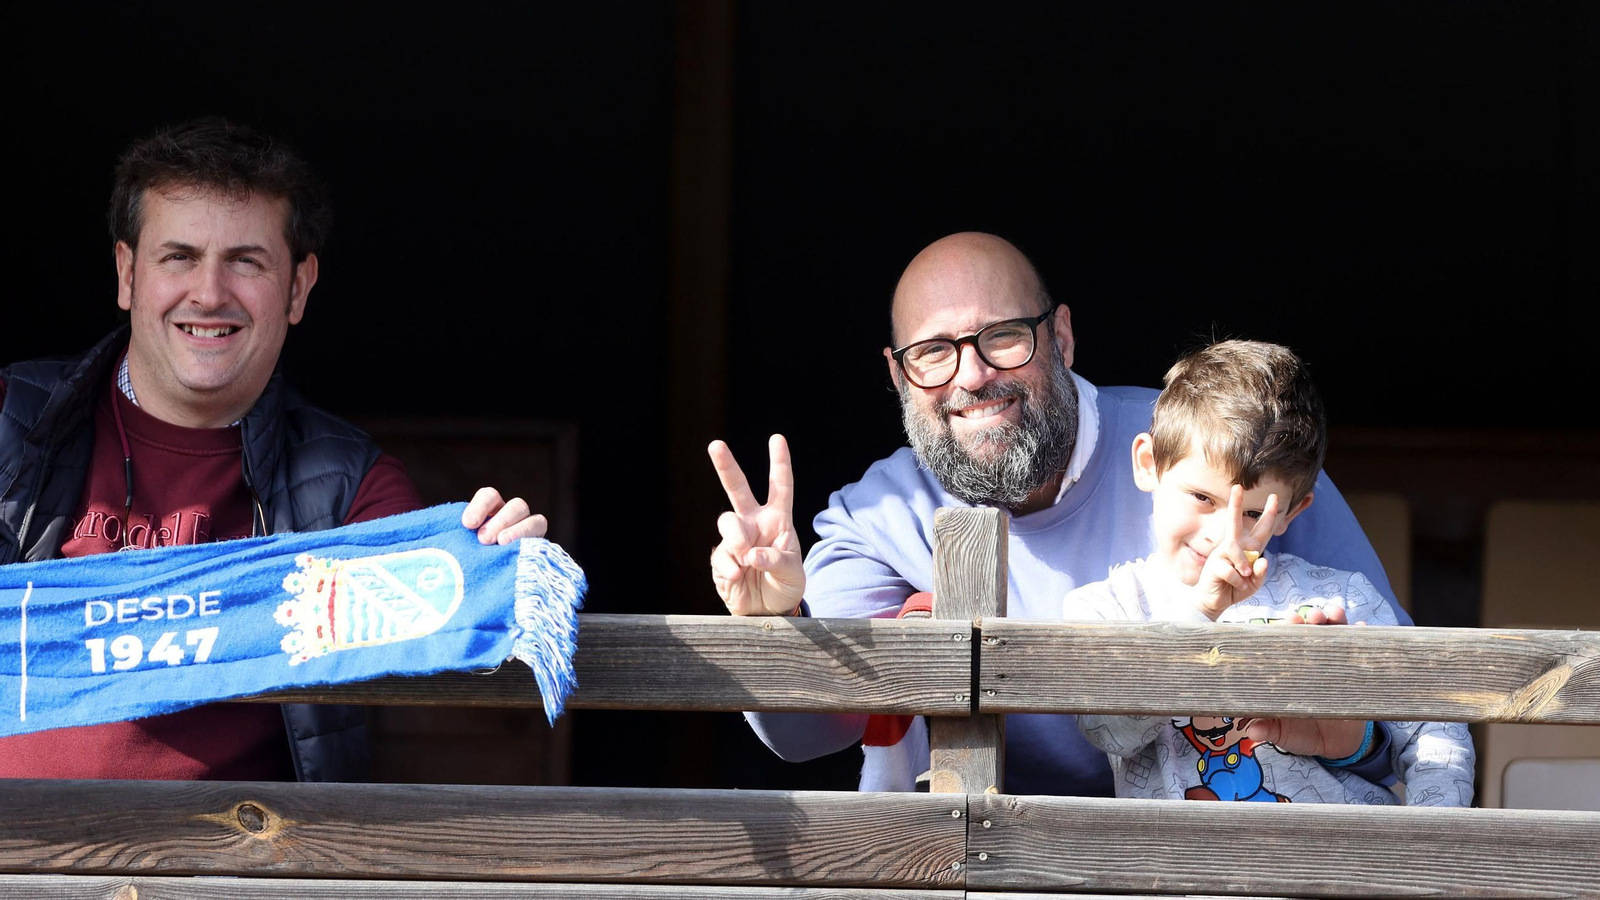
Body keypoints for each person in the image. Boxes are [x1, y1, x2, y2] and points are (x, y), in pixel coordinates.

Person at [708, 231, 1411, 796]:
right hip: (976, 874)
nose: (973, 373)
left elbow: (1411, 715)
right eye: (933, 353)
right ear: (899, 376)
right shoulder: (879, 518)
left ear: (1062, 337)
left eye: (1004, 335)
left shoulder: (1217, 460)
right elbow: (803, 737)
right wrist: (771, 623)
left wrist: (1356, 741)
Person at [0, 118, 546, 782]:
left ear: (297, 288)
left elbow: (469, 678)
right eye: (179, 256)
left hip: (232, 869)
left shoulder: (347, 487)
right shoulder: (11, 420)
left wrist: (491, 567)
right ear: (127, 274)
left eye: (245, 261)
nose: (208, 292)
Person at [1059, 340, 1474, 806]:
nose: (1224, 535)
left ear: (1292, 514)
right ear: (1147, 464)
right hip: (1183, 874)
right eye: (1202, 498)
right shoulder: (1106, 609)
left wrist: (1432, 839)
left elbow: (1434, 729)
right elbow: (1110, 731)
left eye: (1254, 514)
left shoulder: (1342, 599)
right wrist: (1202, 612)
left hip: (1340, 869)